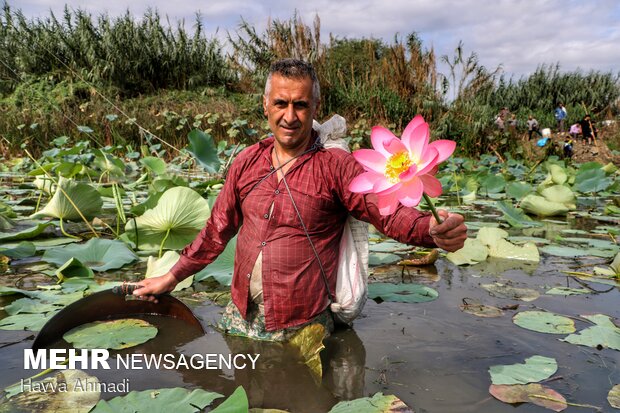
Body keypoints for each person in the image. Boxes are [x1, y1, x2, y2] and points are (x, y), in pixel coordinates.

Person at [132, 59, 467, 341]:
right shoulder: (246, 161)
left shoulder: (335, 166)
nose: (289, 116)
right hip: (240, 317)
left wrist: (431, 230)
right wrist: (172, 276)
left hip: (302, 326)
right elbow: (217, 230)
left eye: (300, 104)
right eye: (281, 103)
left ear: (314, 108)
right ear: (266, 105)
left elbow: (387, 213)